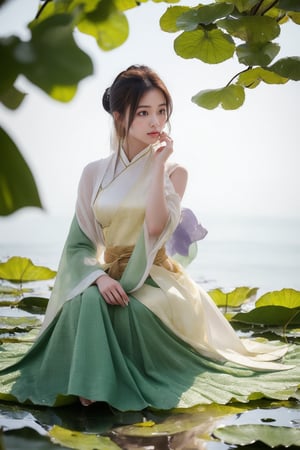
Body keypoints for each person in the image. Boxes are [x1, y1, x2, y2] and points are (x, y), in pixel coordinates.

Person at [0, 65, 299, 410]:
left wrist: (158, 167)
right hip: (110, 273)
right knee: (86, 301)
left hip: (154, 276)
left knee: (129, 313)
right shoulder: (93, 173)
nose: (155, 122)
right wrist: (96, 276)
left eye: (161, 111)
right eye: (143, 113)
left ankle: (96, 389)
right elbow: (79, 243)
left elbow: (156, 227)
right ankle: (89, 388)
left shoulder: (175, 171)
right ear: (119, 117)